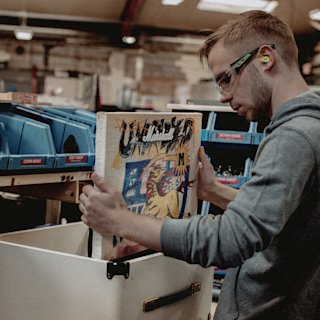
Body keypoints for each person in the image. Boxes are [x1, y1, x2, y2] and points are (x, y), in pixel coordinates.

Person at [79, 10, 320, 320]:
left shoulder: (294, 137)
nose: (223, 97)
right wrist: (216, 191)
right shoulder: (308, 127)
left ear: (265, 58)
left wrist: (120, 221)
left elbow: (231, 240)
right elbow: (287, 218)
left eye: (226, 78)